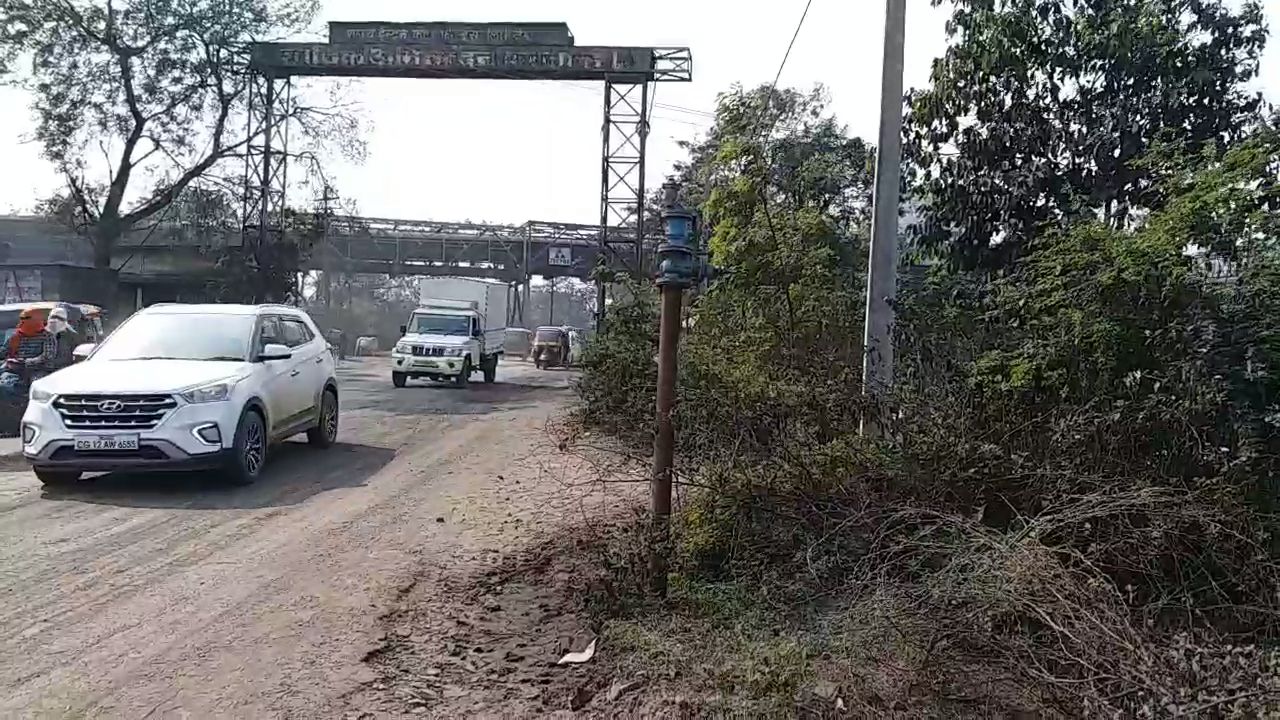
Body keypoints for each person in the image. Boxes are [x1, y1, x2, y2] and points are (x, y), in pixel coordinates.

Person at [0, 309, 55, 398]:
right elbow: (5, 351)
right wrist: (12, 361)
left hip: (38, 370)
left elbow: (47, 356)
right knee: (5, 385)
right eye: (22, 319)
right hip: (15, 369)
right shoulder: (16, 335)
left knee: (37, 388)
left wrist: (26, 362)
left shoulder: (47, 336)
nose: (23, 321)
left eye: (26, 318)